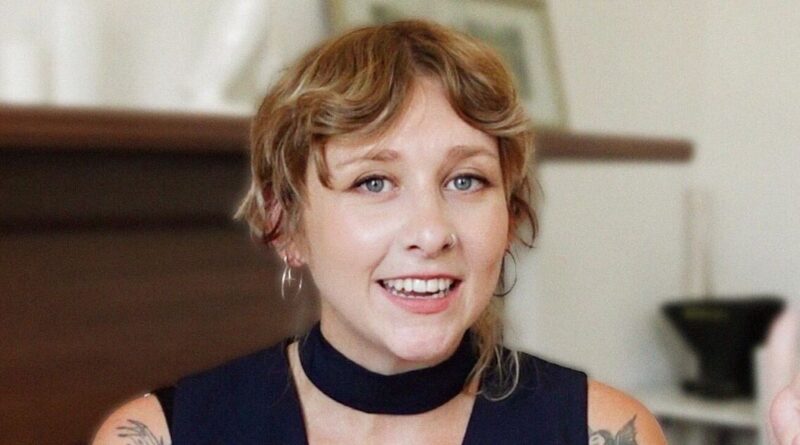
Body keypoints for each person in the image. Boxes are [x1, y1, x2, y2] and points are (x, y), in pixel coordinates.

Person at [93, 20, 666, 444]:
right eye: (373, 182)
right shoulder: (160, 436)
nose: (431, 232)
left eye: (466, 180)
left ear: (510, 216)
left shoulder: (603, 431)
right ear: (284, 223)